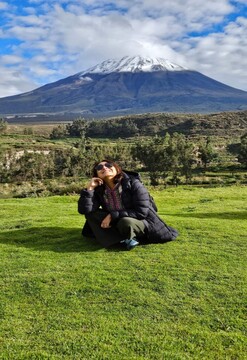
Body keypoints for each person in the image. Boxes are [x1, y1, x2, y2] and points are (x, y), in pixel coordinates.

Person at [78, 159, 178, 250]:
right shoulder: (100, 189)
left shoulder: (133, 183)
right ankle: (123, 240)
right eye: (99, 167)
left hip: (142, 220)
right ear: (97, 174)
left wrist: (112, 215)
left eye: (108, 165)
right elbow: (85, 210)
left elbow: (141, 212)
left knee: (125, 222)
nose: (104, 167)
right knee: (91, 214)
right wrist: (89, 189)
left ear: (117, 169)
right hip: (117, 219)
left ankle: (121, 238)